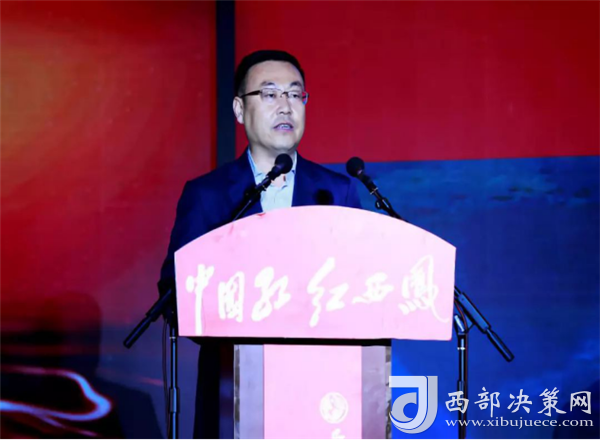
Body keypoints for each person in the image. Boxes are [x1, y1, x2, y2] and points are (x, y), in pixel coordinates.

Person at [159, 50, 361, 438]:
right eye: (269, 94)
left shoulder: (338, 192)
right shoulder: (208, 195)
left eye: (295, 94)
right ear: (239, 109)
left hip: (320, 393)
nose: (285, 106)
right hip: (232, 390)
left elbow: (358, 287)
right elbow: (174, 292)